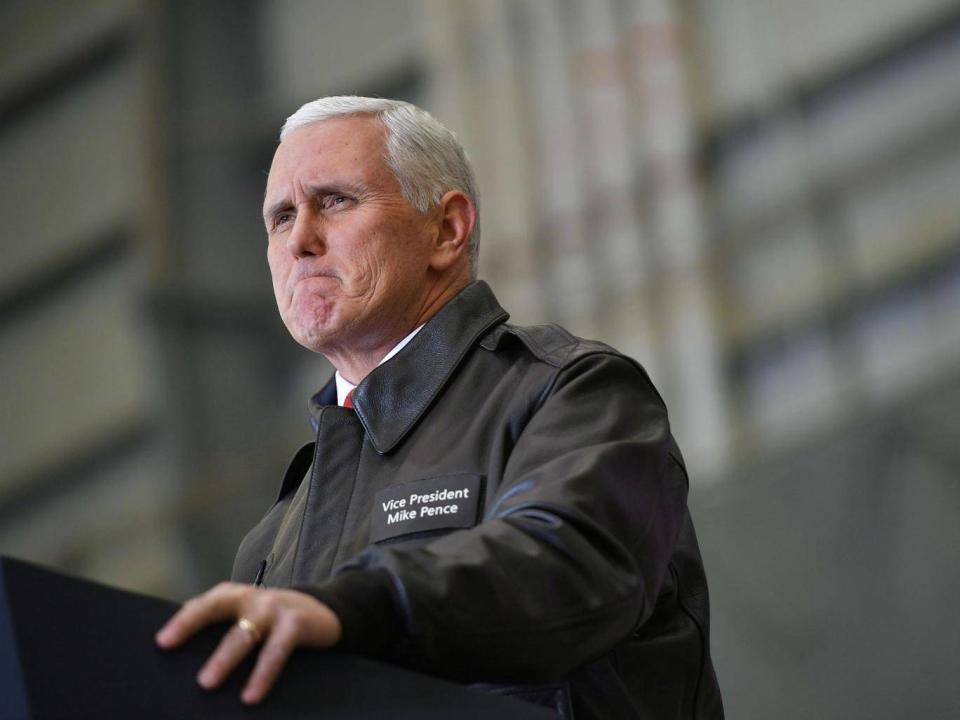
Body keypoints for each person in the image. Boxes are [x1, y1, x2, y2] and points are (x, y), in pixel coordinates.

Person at [156, 96, 723, 719]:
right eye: (281, 216)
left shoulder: (571, 394)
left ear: (447, 230)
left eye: (335, 201)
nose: (300, 241)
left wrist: (358, 611)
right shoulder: (272, 538)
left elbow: (564, 568)